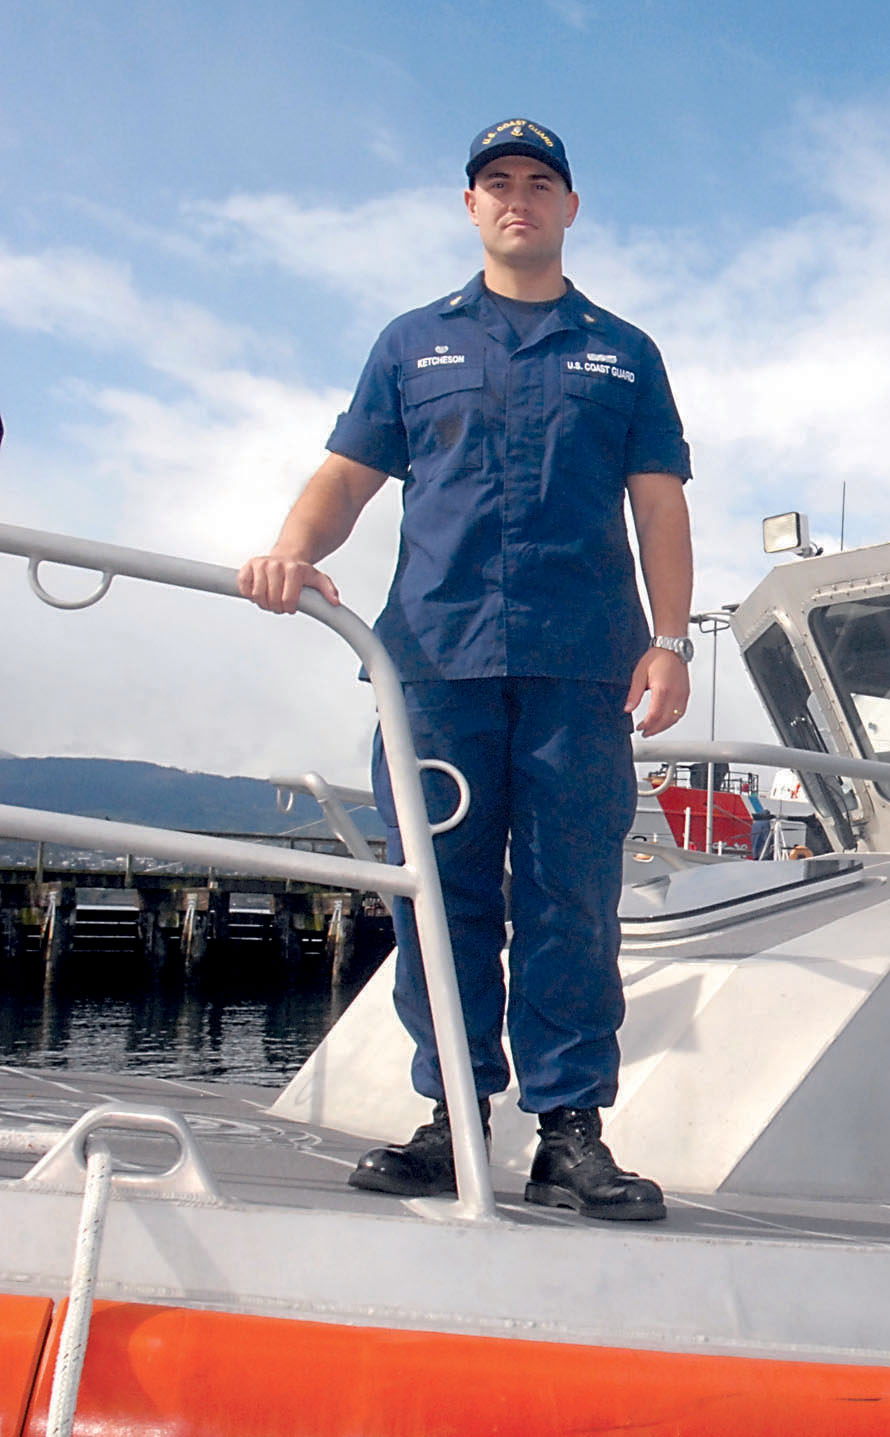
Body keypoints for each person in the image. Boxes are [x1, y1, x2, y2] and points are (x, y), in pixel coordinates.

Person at [239, 118, 694, 1221]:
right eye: (498, 183)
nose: (519, 199)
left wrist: (669, 642)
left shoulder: (623, 352)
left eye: (541, 183)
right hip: (434, 665)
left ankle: (570, 1136)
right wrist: (294, 548)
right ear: (471, 207)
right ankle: (451, 1122)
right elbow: (347, 478)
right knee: (441, 903)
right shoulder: (412, 345)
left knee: (570, 904)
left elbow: (658, 504)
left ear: (571, 208)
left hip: (581, 667)